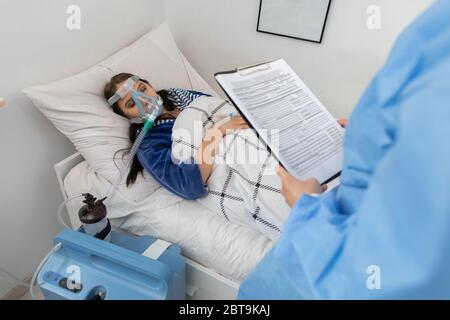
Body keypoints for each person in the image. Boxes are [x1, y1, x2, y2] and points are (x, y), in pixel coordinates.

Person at [239, 0, 450, 299]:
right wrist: (367, 132)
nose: (146, 95)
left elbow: (382, 276)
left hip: (322, 260)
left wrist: (306, 206)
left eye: (145, 88)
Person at [104, 73, 249, 200]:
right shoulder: (149, 143)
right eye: (131, 103)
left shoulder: (178, 96)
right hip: (231, 162)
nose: (143, 99)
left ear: (150, 86)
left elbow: (219, 107)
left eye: (142, 89)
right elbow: (187, 186)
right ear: (126, 117)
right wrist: (215, 133)